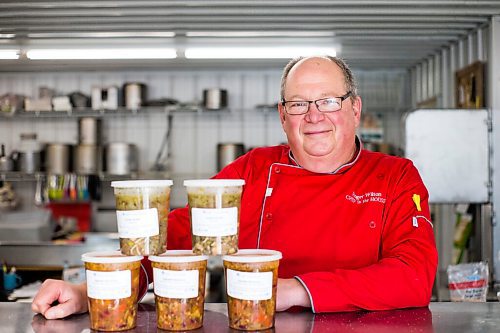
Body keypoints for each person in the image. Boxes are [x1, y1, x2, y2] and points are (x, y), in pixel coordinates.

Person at [32, 55, 437, 318]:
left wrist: (296, 290)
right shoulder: (256, 170)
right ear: (283, 116)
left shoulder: (395, 175)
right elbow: (170, 240)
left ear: (355, 109)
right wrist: (90, 293)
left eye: (329, 101)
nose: (314, 116)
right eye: (298, 104)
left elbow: (414, 276)